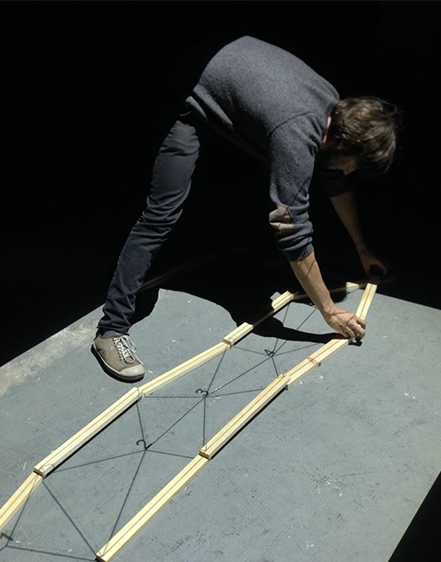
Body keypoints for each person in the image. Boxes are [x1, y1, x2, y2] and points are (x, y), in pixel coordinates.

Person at [92, 35, 401, 382]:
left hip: (226, 82)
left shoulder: (331, 111)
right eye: (354, 164)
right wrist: (329, 312)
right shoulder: (296, 132)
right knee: (162, 213)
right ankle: (111, 329)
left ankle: (250, 252)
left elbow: (335, 182)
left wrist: (362, 249)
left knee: (283, 179)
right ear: (343, 142)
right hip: (189, 91)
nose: (350, 172)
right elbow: (292, 230)